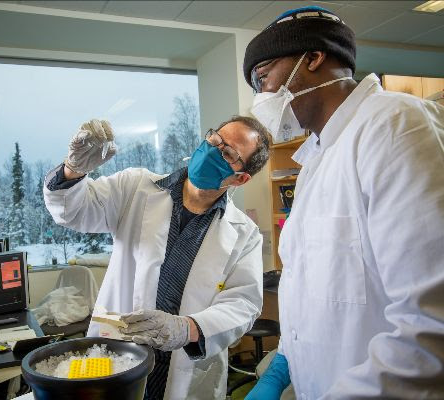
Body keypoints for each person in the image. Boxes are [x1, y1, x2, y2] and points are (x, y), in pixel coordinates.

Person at [242, 5, 444, 400]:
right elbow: (321, 296)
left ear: (313, 58)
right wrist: (285, 362)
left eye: (264, 78)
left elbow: (431, 325)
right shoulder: (317, 158)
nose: (261, 97)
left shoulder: (395, 126)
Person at [43, 116, 270, 399]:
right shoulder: (135, 187)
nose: (213, 150)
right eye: (215, 139)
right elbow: (72, 212)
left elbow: (243, 304)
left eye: (227, 153)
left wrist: (187, 329)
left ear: (241, 178)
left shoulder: (244, 233)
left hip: (185, 366)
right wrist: (73, 170)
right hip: (118, 354)